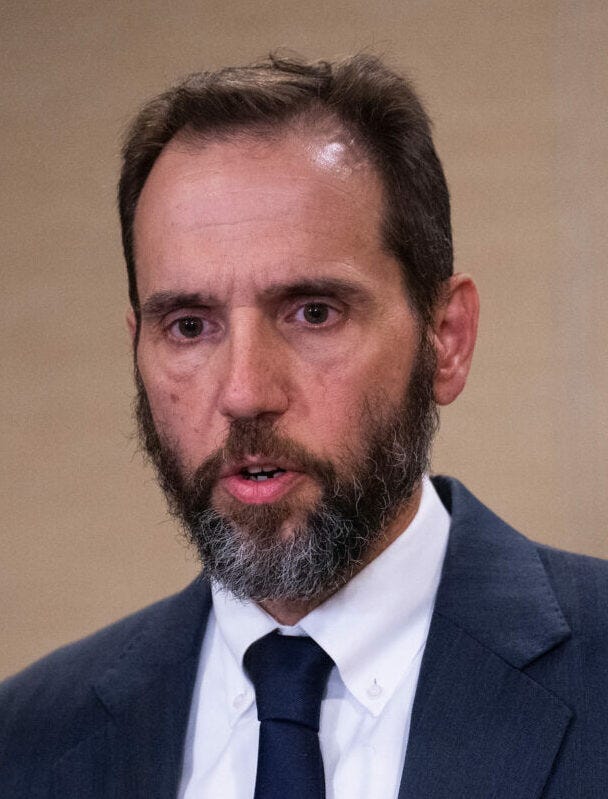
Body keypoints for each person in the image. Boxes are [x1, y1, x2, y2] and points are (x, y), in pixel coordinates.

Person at [1, 53, 607, 799]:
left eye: (313, 312)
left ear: (446, 337)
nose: (246, 392)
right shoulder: (26, 743)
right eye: (189, 326)